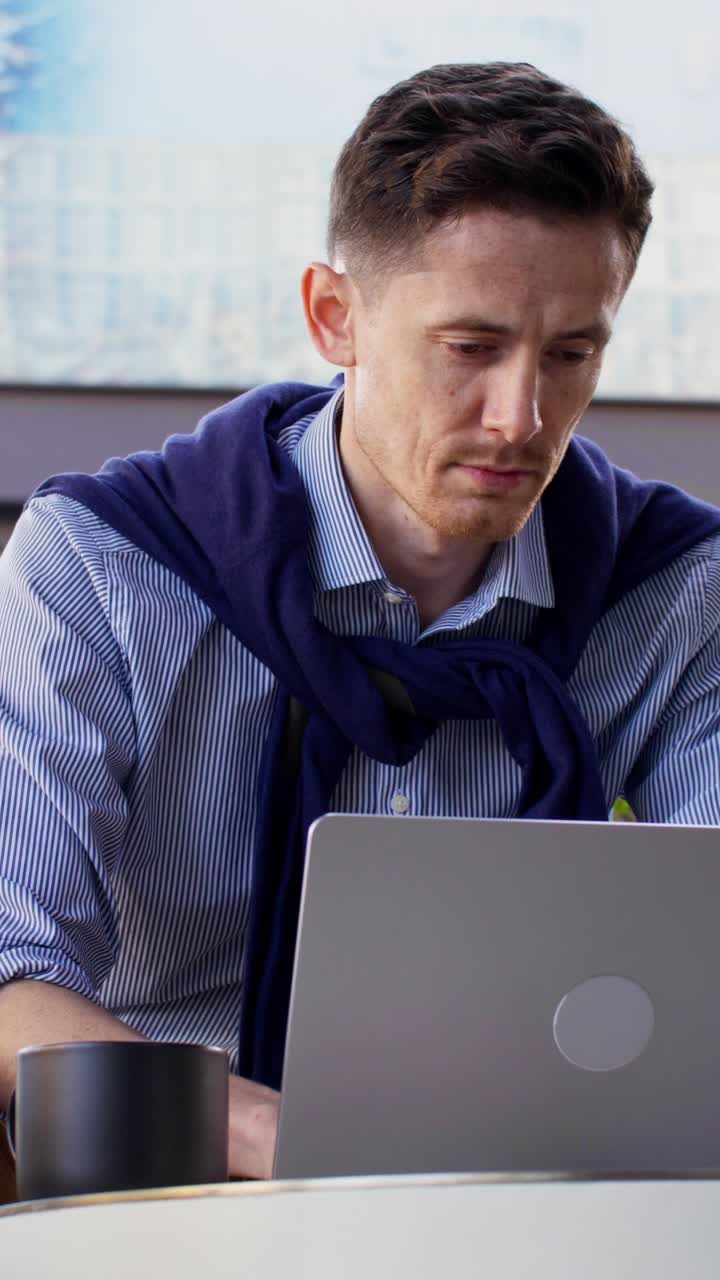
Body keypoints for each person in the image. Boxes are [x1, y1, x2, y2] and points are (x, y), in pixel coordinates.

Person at [1, 61, 719, 1183]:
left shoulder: (673, 587)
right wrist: (291, 1144)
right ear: (335, 316)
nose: (523, 417)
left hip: (543, 1190)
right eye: (471, 347)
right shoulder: (97, 567)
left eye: (574, 354)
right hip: (187, 1187)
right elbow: (11, 975)